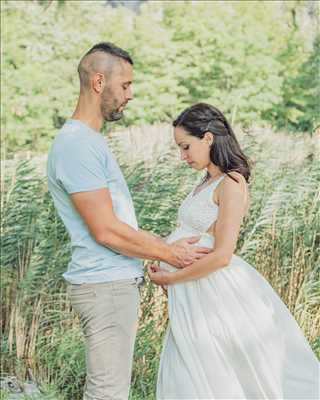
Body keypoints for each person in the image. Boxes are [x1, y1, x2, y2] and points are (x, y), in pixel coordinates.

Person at [47, 43, 209, 400]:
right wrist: (169, 253)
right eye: (125, 85)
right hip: (104, 288)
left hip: (111, 284)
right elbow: (104, 230)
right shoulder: (77, 145)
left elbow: (119, 223)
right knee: (107, 394)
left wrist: (161, 248)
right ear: (98, 82)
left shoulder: (89, 142)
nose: (130, 95)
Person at [148, 103, 319, 400]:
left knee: (222, 372)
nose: (182, 156)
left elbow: (223, 254)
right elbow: (190, 233)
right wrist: (161, 253)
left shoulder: (231, 182)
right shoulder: (204, 183)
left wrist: (171, 279)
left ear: (208, 138)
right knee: (189, 373)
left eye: (186, 147)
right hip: (193, 293)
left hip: (215, 292)